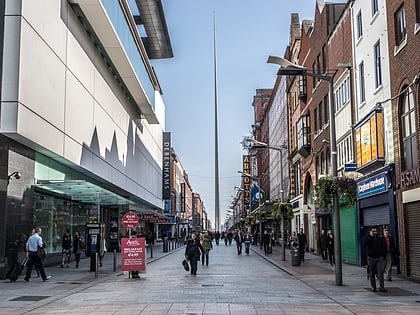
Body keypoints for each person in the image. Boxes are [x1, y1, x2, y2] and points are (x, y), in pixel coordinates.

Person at [364, 226, 387, 292]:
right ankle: (373, 287)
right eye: (373, 231)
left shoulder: (380, 238)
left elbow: (384, 246)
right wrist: (371, 236)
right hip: (371, 258)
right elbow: (365, 243)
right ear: (370, 231)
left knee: (380, 272)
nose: (375, 233)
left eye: (375, 231)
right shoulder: (367, 238)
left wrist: (383, 255)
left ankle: (382, 287)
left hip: (379, 257)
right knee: (372, 273)